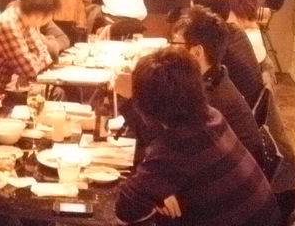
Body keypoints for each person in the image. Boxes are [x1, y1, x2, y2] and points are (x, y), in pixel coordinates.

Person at [115, 47, 280, 226]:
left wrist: (156, 193)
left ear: (145, 106)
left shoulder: (177, 147)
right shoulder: (211, 116)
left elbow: (125, 210)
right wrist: (159, 189)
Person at [171, 6, 264, 166]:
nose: (171, 50)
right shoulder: (217, 76)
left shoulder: (209, 99)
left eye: (175, 43)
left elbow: (174, 143)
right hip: (226, 168)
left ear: (197, 52)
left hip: (228, 176)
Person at [190, 0, 263, 108]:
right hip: (248, 105)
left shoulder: (217, 43)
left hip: (235, 109)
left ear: (204, 15)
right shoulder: (234, 31)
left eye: (192, 10)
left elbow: (196, 77)